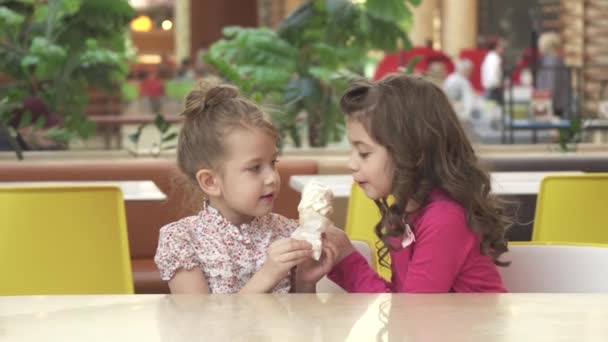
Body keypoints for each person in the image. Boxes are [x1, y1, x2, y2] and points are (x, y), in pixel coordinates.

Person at [302, 74, 511, 293]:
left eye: (364, 153)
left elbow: (410, 313)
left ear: (411, 152)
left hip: (479, 328)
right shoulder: (404, 213)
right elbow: (402, 305)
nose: (351, 164)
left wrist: (346, 258)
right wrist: (341, 257)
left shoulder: (444, 219)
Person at [154, 82, 333, 294]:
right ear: (211, 182)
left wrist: (306, 281)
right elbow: (200, 322)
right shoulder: (182, 240)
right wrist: (267, 275)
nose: (272, 178)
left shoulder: (288, 232)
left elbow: (301, 317)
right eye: (255, 168)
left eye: (273, 163)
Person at [536, 32, 570, 116]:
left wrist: (545, 99)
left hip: (553, 103)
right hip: (556, 102)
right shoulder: (554, 59)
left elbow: (552, 82)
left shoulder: (551, 60)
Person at [481, 37, 505, 105]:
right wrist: (499, 84)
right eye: (501, 46)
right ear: (496, 47)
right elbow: (492, 78)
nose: (503, 48)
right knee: (492, 112)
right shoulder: (494, 59)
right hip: (493, 91)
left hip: (492, 90)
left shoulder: (490, 57)